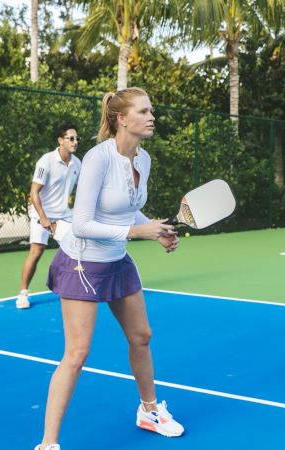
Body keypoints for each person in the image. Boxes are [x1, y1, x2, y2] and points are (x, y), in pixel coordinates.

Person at [34, 88, 184, 450]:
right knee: (77, 354)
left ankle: (149, 411)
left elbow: (128, 207)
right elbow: (82, 223)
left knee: (141, 336)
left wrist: (156, 231)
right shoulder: (97, 159)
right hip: (83, 263)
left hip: (117, 261)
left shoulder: (142, 160)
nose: (152, 117)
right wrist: (138, 232)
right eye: (144, 111)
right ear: (122, 119)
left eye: (152, 110)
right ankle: (48, 443)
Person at [16, 124, 81, 309]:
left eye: (77, 139)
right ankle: (22, 294)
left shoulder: (77, 163)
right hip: (41, 211)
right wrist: (43, 218)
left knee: (77, 251)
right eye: (71, 138)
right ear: (60, 141)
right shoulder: (46, 161)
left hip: (65, 214)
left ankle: (74, 288)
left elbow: (84, 191)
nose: (75, 142)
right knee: (36, 252)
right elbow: (34, 192)